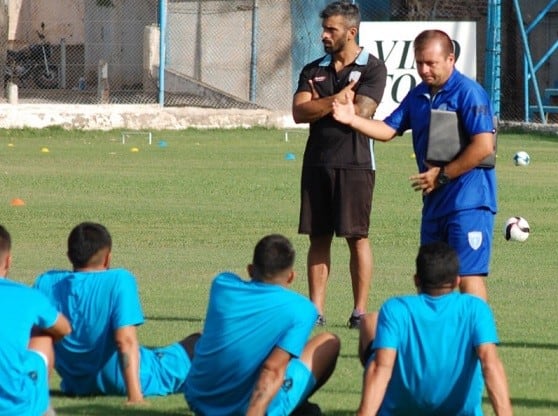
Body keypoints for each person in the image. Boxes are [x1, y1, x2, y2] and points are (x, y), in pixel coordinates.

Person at [332, 29, 497, 301]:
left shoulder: (470, 93)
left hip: (469, 202)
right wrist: (352, 120)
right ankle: (433, 340)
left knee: (468, 276)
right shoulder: (418, 95)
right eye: (419, 62)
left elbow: (483, 147)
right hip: (434, 204)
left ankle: (478, 343)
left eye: (431, 63)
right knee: (432, 278)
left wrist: (442, 176)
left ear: (450, 59)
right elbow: (387, 129)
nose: (424, 69)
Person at [292, 1, 387, 328]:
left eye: (331, 29)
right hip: (316, 164)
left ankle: (359, 311)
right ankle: (314, 311)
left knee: (356, 237)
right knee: (318, 237)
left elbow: (361, 111)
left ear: (351, 32)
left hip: (356, 164)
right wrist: (335, 99)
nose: (323, 35)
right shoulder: (312, 70)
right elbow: (298, 113)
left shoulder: (373, 68)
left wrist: (323, 104)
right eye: (324, 28)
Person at [33, 222, 200, 405]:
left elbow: (33, 338)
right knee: (201, 343)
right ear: (107, 258)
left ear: (69, 256)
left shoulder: (45, 283)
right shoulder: (119, 280)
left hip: (76, 386)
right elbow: (125, 340)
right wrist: (135, 396)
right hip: (136, 380)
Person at [184, 234, 340, 415]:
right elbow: (273, 369)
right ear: (291, 277)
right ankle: (290, 406)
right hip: (247, 408)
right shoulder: (302, 309)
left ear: (250, 269)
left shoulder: (222, 284)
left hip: (199, 399)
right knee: (328, 342)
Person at [357, 241, 512, 415]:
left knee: (369, 322)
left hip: (401, 411)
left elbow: (381, 368)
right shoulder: (476, 309)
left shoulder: (394, 309)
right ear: (457, 281)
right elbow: (490, 364)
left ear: (416, 279)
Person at [0, 225, 72, 415]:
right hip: (15, 406)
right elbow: (63, 328)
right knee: (43, 335)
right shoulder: (28, 297)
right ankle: (40, 406)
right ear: (8, 261)